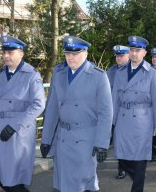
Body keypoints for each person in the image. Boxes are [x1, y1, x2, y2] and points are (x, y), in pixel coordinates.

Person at [40, 36, 113, 192]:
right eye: (67, 53)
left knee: (83, 184)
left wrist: (102, 143)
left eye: (75, 53)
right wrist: (46, 139)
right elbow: (52, 109)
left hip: (85, 140)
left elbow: (106, 112)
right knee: (61, 185)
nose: (70, 57)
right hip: (63, 139)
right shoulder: (59, 74)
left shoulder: (98, 76)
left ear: (85, 53)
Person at [0, 35, 45, 192]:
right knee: (1, 178)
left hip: (19, 132)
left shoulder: (31, 75)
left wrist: (14, 125)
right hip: (0, 130)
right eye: (4, 52)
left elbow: (39, 104)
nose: (6, 55)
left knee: (13, 181)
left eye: (10, 52)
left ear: (21, 53)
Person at [112, 36, 156, 192]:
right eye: (132, 50)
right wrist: (111, 123)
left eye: (138, 50)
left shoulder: (151, 73)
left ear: (144, 53)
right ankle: (138, 177)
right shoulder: (120, 72)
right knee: (121, 157)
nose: (134, 53)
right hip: (122, 118)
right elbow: (114, 99)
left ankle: (137, 188)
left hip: (142, 120)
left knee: (140, 159)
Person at [107, 45, 130, 180]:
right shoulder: (111, 71)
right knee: (118, 140)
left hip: (127, 111)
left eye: (121, 55)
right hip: (112, 110)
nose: (119, 58)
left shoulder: (133, 71)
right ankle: (122, 167)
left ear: (128, 56)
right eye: (117, 55)